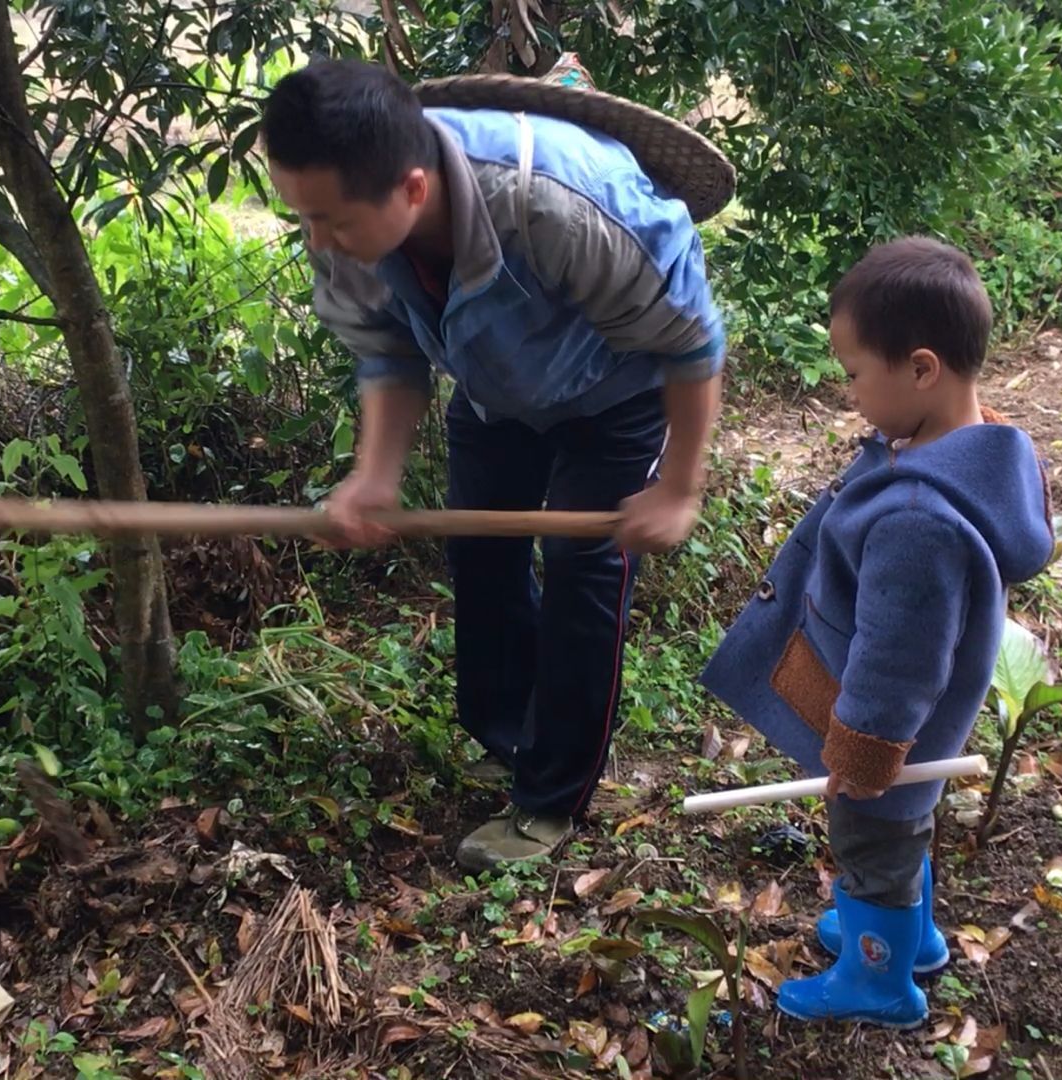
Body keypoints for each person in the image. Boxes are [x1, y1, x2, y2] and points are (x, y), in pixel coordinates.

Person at [259, 58, 727, 872]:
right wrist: (375, 476)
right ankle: (509, 738)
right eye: (305, 216)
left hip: (618, 391)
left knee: (584, 567)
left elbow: (689, 344)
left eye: (331, 220)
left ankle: (551, 800)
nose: (317, 240)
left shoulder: (565, 207)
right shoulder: (344, 223)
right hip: (494, 390)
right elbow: (388, 353)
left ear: (410, 190)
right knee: (481, 552)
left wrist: (678, 487)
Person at [699, 236, 1054, 1027]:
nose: (848, 392)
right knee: (902, 832)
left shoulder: (918, 520)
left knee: (871, 842)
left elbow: (899, 657)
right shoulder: (967, 448)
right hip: (919, 738)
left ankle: (879, 978)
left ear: (922, 368)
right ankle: (911, 934)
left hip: (889, 734)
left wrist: (862, 753)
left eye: (856, 374)